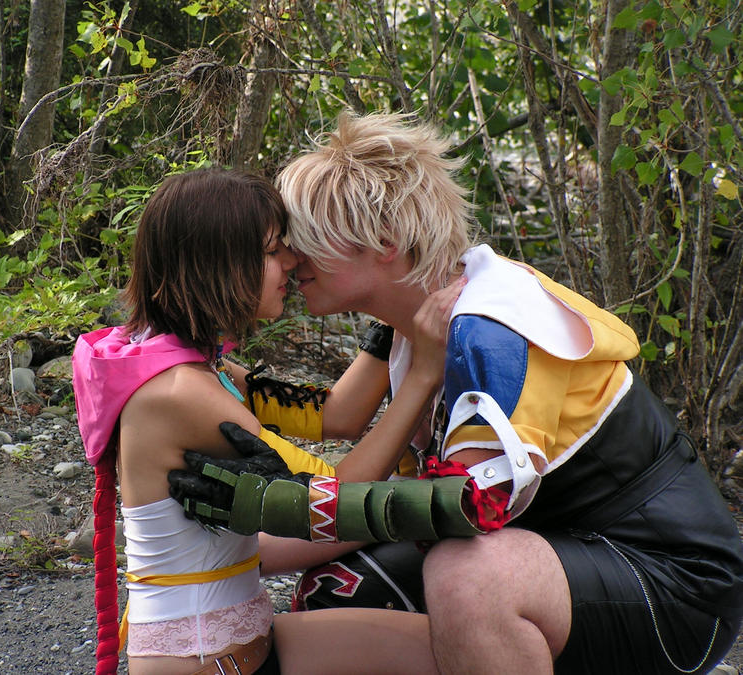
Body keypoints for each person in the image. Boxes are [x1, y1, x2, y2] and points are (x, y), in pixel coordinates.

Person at [168, 113, 743, 674]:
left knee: (466, 577)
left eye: (305, 243)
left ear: (385, 241)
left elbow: (462, 510)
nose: (291, 261)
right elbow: (356, 439)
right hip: (561, 548)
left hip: (673, 587)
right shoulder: (418, 323)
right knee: (342, 590)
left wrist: (277, 507)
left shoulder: (488, 326)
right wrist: (244, 546)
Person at [71, 167, 464, 674]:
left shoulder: (192, 364)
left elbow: (335, 415)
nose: (292, 263)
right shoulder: (182, 394)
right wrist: (424, 373)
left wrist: (392, 302)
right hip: (203, 658)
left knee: (451, 649)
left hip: (235, 640)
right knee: (445, 655)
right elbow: (336, 498)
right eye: (273, 251)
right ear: (218, 261)